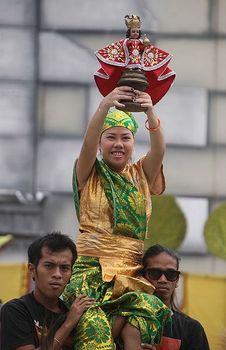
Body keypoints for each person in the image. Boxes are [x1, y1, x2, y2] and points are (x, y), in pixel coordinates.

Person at [62, 86, 171, 350]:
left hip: (132, 273)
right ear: (100, 143)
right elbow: (86, 144)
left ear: (134, 143)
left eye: (126, 138)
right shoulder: (88, 172)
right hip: (92, 272)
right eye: (110, 137)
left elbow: (159, 150)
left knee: (149, 310)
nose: (119, 144)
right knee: (95, 329)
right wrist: (104, 106)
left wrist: (150, 111)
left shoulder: (141, 175)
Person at [0, 232, 95, 350]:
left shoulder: (75, 312)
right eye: (49, 266)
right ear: (32, 270)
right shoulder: (15, 311)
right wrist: (68, 324)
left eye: (64, 268)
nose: (57, 274)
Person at [94, 14, 176, 106]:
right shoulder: (126, 42)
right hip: (129, 63)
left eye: (137, 32)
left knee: (137, 74)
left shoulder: (141, 42)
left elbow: (147, 49)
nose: (135, 33)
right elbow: (118, 48)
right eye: (133, 32)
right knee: (130, 74)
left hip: (138, 62)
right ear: (129, 32)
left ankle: (135, 73)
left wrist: (146, 45)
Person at [141, 244, 210, 350]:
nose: (163, 279)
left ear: (177, 280)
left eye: (171, 274)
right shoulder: (124, 320)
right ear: (142, 277)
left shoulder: (192, 329)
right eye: (155, 273)